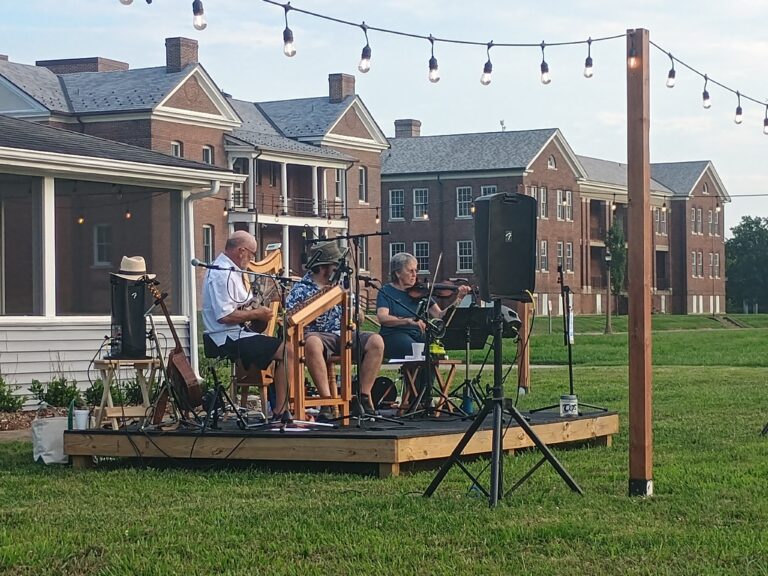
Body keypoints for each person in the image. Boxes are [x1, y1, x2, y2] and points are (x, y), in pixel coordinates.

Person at [201, 230, 293, 422]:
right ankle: (280, 411)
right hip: (225, 336)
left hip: (236, 333)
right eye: (251, 254)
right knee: (287, 351)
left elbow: (243, 304)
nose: (251, 260)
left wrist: (269, 301)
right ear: (241, 251)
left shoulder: (232, 271)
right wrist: (258, 313)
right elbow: (224, 316)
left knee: (283, 348)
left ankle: (280, 407)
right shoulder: (222, 273)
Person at [286, 240, 385, 417]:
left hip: (343, 333)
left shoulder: (342, 286)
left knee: (376, 341)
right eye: (335, 264)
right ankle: (326, 402)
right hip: (316, 336)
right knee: (312, 343)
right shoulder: (301, 288)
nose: (339, 268)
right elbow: (289, 318)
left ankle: (363, 396)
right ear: (324, 267)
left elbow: (359, 318)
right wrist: (318, 301)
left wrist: (354, 311)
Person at [376, 252, 470, 360]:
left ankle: (427, 377)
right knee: (416, 350)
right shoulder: (386, 291)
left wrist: (458, 299)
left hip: (417, 335)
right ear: (398, 273)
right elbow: (382, 317)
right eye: (410, 271)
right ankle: (415, 376)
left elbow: (439, 315)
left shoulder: (420, 292)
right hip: (394, 335)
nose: (414, 275)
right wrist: (408, 321)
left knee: (435, 351)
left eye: (416, 271)